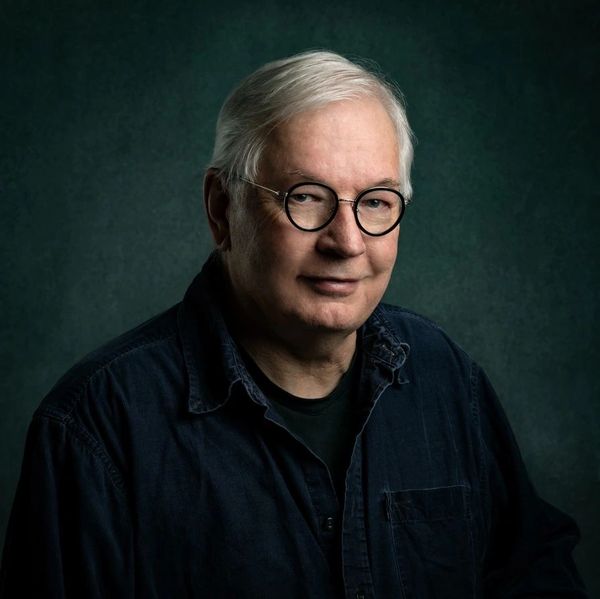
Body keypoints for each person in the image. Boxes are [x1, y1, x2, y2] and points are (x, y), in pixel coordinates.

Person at [0, 50, 587, 598]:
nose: (348, 241)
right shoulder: (96, 427)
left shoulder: (445, 379)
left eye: (377, 201)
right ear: (221, 209)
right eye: (306, 197)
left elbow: (535, 571)